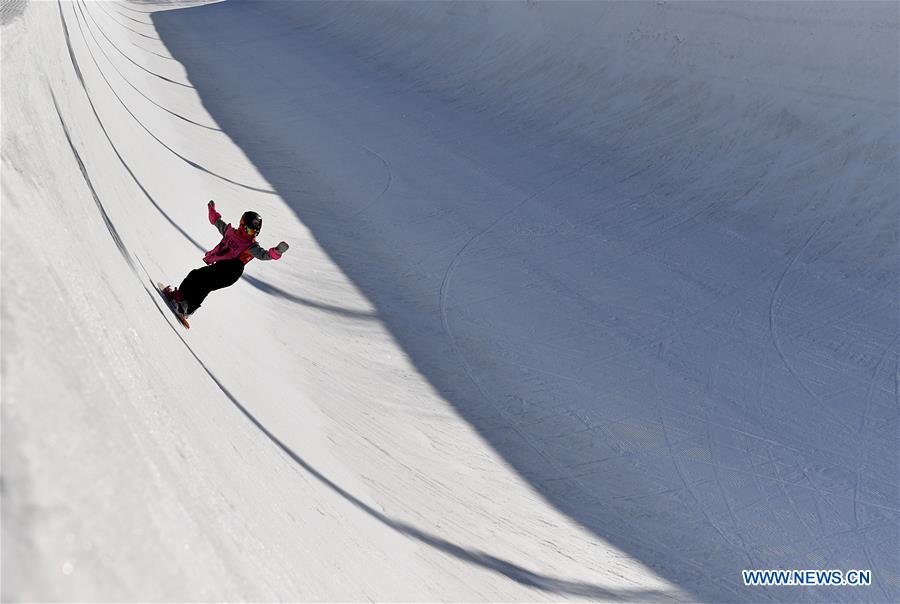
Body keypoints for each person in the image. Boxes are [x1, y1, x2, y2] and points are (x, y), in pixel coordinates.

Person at [163, 200, 289, 316]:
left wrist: (277, 251)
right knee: (196, 276)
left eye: (253, 232)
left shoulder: (250, 246)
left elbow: (264, 255)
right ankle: (181, 299)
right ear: (241, 224)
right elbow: (217, 222)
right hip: (221, 266)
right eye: (248, 230)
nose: (250, 234)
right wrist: (212, 210)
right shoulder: (230, 232)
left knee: (204, 283)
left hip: (232, 271)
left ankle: (186, 307)